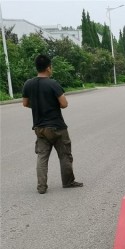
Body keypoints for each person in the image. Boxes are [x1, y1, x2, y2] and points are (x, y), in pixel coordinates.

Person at [22, 54, 83, 194]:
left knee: (42, 157)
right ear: (48, 68)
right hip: (57, 127)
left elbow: (25, 103)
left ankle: (41, 187)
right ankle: (68, 182)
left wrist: (38, 106)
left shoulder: (28, 84)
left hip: (39, 128)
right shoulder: (53, 84)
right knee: (65, 155)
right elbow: (64, 104)